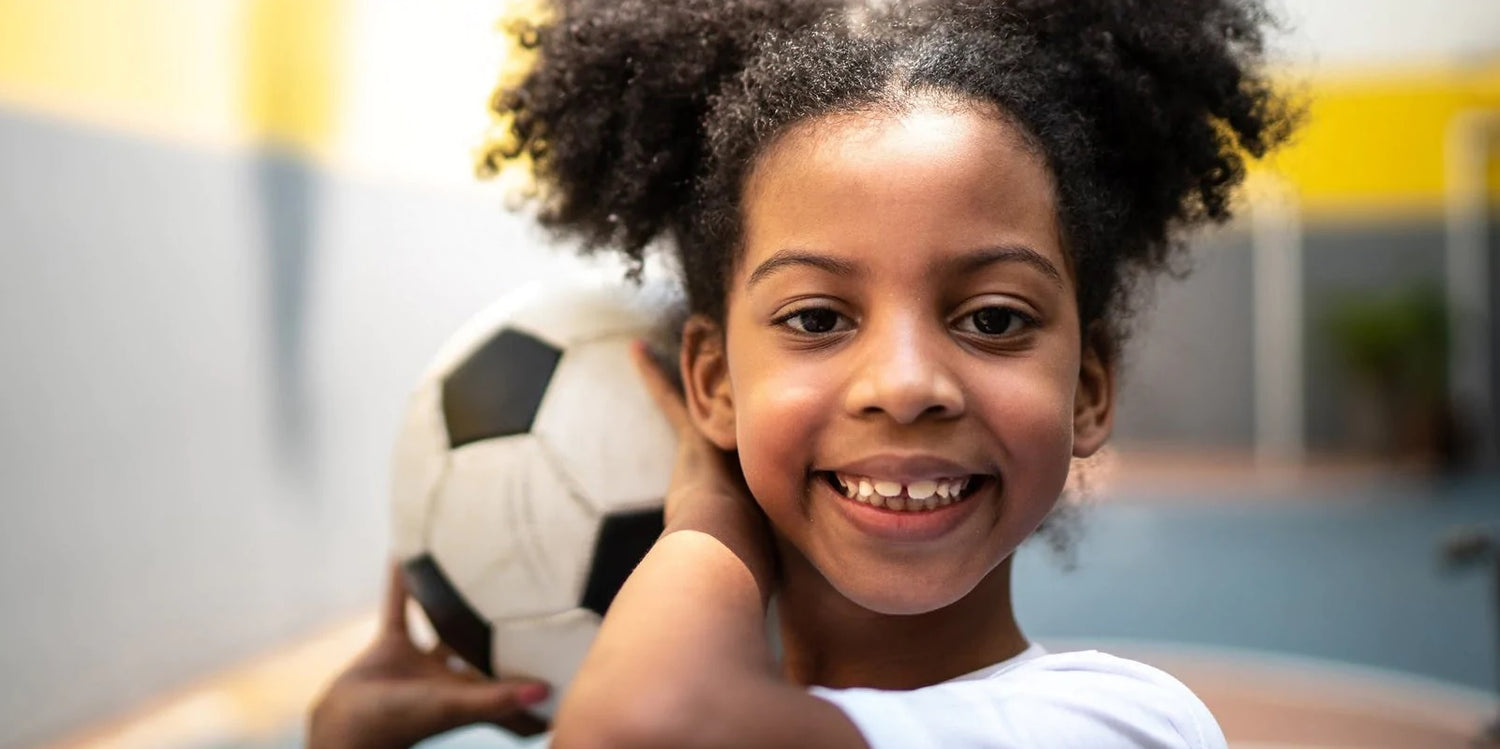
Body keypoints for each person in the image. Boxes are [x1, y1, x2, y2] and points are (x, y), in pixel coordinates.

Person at [311, 0, 1294, 746]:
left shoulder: (1111, 721)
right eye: (818, 317)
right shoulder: (703, 696)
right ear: (714, 382)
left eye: (993, 317)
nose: (906, 383)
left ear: (1086, 387)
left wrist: (710, 510)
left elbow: (649, 727)